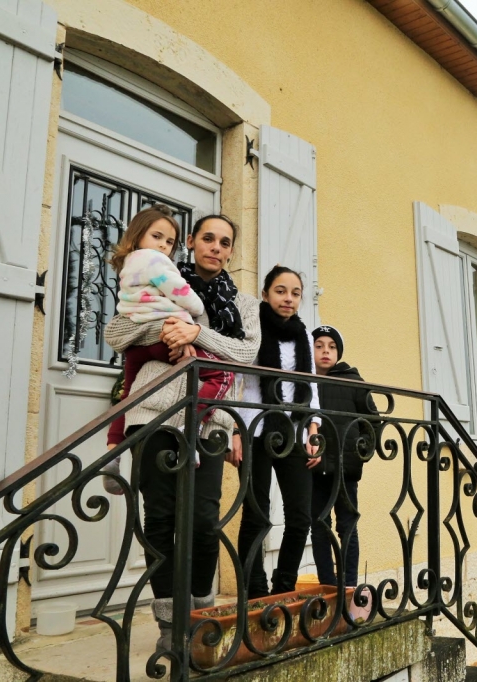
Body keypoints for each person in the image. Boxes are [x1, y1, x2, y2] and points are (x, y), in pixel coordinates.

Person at [104, 214, 260, 653]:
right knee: (160, 522)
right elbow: (115, 332)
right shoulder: (156, 278)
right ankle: (170, 629)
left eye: (225, 242)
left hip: (210, 421)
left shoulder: (244, 304)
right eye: (207, 238)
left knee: (204, 523)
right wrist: (164, 329)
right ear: (190, 242)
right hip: (152, 413)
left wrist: (198, 333)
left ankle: (202, 618)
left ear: (230, 251)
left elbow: (248, 353)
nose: (216, 246)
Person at [102, 204, 233, 495]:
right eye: (157, 237)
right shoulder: (157, 264)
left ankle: (112, 450)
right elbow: (114, 330)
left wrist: (181, 333)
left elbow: (246, 351)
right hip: (165, 343)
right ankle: (192, 424)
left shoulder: (128, 268)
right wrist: (178, 328)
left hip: (141, 348)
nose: (163, 245)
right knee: (222, 374)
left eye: (168, 241)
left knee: (127, 394)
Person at [233, 266, 322, 598]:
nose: (288, 298)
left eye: (295, 293)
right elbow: (240, 383)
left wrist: (314, 430)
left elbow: (311, 386)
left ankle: (283, 589)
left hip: (294, 433)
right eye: (281, 291)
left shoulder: (304, 336)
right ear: (266, 293)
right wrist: (235, 431)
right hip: (255, 429)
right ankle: (253, 594)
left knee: (300, 518)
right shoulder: (251, 329)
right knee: (256, 517)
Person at [310, 325, 377, 588]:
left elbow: (373, 421)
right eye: (319, 346)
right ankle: (327, 585)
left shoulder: (353, 381)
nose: (326, 351)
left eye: (332, 346)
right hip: (314, 467)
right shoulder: (305, 382)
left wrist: (362, 452)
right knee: (319, 526)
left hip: (346, 469)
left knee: (347, 527)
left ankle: (349, 586)